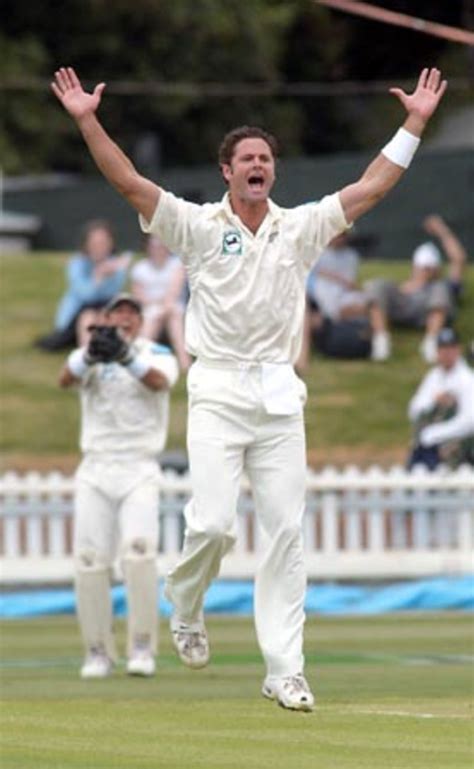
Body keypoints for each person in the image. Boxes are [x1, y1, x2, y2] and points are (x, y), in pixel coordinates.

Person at [52, 65, 447, 710]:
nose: (258, 165)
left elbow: (371, 189)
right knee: (210, 524)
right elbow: (128, 183)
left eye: (266, 157)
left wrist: (415, 122)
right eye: (247, 158)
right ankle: (185, 604)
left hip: (278, 394)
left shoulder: (299, 229)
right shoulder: (200, 227)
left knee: (287, 534)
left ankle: (285, 669)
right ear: (227, 172)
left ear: (273, 171)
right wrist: (86, 119)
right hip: (216, 389)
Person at [59, 293, 179, 678]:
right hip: (95, 467)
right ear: (108, 318)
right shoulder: (91, 351)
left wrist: (126, 356)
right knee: (90, 561)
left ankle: (141, 647)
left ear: (140, 322)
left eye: (132, 313)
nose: (125, 318)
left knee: (139, 554)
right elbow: (64, 380)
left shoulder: (156, 351)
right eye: (119, 312)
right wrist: (91, 355)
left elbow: (160, 383)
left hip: (138, 467)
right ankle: (97, 651)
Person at [365, 213, 467, 364]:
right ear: (415, 267)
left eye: (429, 267)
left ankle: (431, 343)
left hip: (426, 312)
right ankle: (381, 341)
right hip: (401, 307)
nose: (426, 271)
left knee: (440, 289)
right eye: (423, 267)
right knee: (375, 285)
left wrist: (442, 230)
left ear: (437, 269)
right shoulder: (400, 288)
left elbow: (458, 259)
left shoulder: (443, 285)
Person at [36, 219, 130, 351]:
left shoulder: (116, 265)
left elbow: (112, 295)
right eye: (95, 243)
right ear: (87, 244)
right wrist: (98, 277)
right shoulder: (77, 264)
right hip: (74, 321)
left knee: (107, 312)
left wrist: (114, 272)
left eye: (103, 242)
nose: (99, 247)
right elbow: (86, 296)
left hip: (102, 316)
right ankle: (87, 356)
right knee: (88, 315)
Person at [297, 233, 371, 369]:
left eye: (343, 235)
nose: (339, 238)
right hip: (311, 300)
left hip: (332, 302)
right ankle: (302, 356)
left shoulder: (351, 256)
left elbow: (349, 284)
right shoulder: (314, 254)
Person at [407, 328, 474, 470]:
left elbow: (469, 421)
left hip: (457, 443)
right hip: (429, 441)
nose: (447, 353)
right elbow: (414, 409)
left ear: (458, 349)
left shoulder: (467, 379)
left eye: (451, 348)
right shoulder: (433, 376)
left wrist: (436, 433)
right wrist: (435, 401)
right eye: (443, 348)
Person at [131, 234, 191, 371]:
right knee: (153, 316)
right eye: (154, 246)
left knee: (173, 313)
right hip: (151, 309)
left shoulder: (178, 264)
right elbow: (139, 297)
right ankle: (142, 359)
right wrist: (159, 305)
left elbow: (173, 294)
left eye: (161, 246)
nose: (158, 249)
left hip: (175, 308)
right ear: (148, 247)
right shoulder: (139, 268)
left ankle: (183, 359)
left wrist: (162, 306)